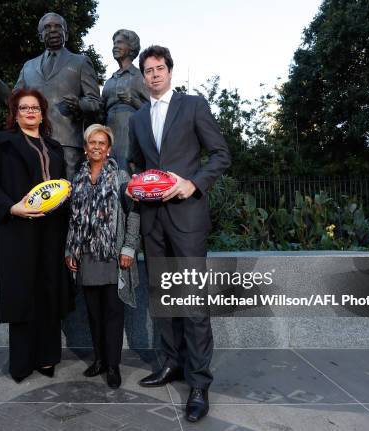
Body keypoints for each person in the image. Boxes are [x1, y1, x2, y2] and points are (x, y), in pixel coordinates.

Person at [127, 46, 231, 422]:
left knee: (193, 299)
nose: (154, 75)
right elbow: (135, 162)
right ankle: (171, 363)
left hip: (187, 217)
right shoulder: (138, 118)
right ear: (143, 77)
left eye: (160, 69)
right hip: (153, 221)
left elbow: (220, 154)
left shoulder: (193, 106)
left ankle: (199, 381)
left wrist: (194, 183)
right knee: (162, 294)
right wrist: (136, 184)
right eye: (148, 70)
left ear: (170, 72)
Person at [0, 88, 74, 383]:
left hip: (52, 230)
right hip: (17, 228)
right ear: (16, 113)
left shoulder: (54, 146)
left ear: (42, 112)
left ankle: (47, 357)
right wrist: (11, 208)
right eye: (24, 108)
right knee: (22, 293)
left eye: (35, 107)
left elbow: (61, 185)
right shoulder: (3, 142)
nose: (30, 112)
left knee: (48, 291)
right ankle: (21, 362)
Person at [0, 12, 101, 180]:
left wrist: (79, 104)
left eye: (58, 26)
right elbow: (14, 102)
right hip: (33, 141)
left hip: (67, 143)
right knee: (37, 196)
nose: (53, 30)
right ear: (40, 35)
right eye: (47, 27)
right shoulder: (29, 66)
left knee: (68, 195)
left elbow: (95, 102)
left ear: (66, 32)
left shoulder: (80, 62)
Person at [65, 124, 140, 389]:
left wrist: (129, 247)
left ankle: (113, 366)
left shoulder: (121, 177)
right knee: (93, 314)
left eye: (102, 143)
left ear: (108, 149)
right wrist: (70, 249)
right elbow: (73, 219)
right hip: (87, 255)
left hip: (113, 256)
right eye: (92, 143)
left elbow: (133, 212)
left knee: (112, 314)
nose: (96, 147)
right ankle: (98, 360)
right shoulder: (78, 179)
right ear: (85, 149)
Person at [101, 29, 149, 172]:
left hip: (129, 132)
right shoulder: (110, 81)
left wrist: (133, 101)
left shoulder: (140, 77)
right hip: (109, 131)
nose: (115, 46)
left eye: (120, 42)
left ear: (131, 47)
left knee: (125, 171)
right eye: (114, 43)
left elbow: (154, 111)